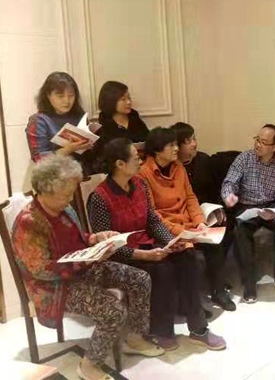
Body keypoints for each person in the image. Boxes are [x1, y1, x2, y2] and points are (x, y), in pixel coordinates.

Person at [13, 155, 163, 380]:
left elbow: (79, 238)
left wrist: (96, 238)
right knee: (113, 311)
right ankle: (89, 365)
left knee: (140, 278)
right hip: (54, 287)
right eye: (65, 195)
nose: (69, 199)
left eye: (71, 193)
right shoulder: (29, 222)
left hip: (81, 269)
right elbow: (40, 269)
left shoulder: (65, 209)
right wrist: (85, 260)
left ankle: (135, 338)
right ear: (44, 191)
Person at [87, 138, 226, 351]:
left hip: (149, 245)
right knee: (163, 269)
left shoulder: (139, 184)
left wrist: (170, 242)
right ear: (120, 164)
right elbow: (107, 247)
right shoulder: (99, 197)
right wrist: (143, 255)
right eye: (136, 158)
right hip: (124, 255)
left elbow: (152, 220)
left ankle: (199, 329)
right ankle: (162, 331)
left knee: (189, 257)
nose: (140, 162)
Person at [140, 127, 235, 312]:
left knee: (215, 244)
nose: (176, 148)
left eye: (176, 144)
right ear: (158, 150)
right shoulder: (144, 174)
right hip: (166, 228)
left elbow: (190, 198)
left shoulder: (178, 167)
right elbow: (152, 213)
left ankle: (218, 290)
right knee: (189, 254)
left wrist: (200, 222)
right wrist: (180, 231)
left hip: (189, 224)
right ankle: (189, 304)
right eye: (171, 145)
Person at [221, 124, 275, 303]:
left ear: (274, 147)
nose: (257, 144)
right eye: (257, 139)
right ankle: (249, 283)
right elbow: (229, 182)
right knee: (239, 230)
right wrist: (229, 196)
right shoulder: (244, 159)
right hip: (247, 206)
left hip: (270, 207)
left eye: (263, 142)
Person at [25, 72, 96, 173]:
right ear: (48, 95)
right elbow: (40, 160)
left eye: (71, 95)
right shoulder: (39, 121)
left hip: (81, 173)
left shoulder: (79, 116)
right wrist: (69, 149)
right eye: (60, 96)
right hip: (53, 176)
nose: (67, 101)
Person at [94, 81, 149, 161]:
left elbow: (148, 138)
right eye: (123, 99)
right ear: (110, 101)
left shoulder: (134, 117)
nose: (129, 102)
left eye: (129, 98)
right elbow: (104, 153)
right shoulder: (105, 123)